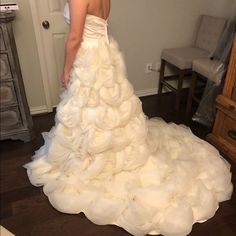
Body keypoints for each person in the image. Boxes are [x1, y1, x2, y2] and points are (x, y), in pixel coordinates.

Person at [24, 0, 233, 235]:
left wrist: (65, 69)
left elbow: (74, 38)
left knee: (92, 113)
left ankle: (94, 156)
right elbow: (102, 24)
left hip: (88, 57)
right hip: (103, 53)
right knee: (106, 112)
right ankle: (109, 150)